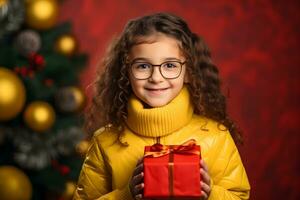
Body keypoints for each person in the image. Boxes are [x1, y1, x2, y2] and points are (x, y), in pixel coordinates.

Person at [73, 12, 250, 200]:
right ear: (126, 73)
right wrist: (126, 195)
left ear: (188, 72)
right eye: (142, 66)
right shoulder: (105, 142)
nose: (156, 78)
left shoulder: (216, 137)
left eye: (170, 65)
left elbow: (239, 196)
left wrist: (212, 193)